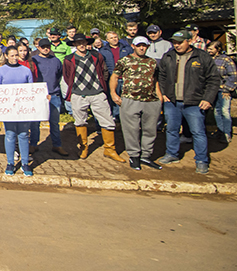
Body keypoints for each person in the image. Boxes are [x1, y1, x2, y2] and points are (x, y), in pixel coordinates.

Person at [157, 31, 220, 174]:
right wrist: (164, 92)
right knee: (172, 129)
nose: (177, 45)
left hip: (194, 102)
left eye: (180, 42)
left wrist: (208, 98)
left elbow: (213, 79)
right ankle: (172, 154)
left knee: (198, 132)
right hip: (172, 101)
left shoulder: (202, 57)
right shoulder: (169, 56)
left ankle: (201, 160)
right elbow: (162, 75)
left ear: (189, 41)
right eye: (175, 42)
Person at [62, 34, 123, 162]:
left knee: (107, 120)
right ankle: (83, 147)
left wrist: (101, 84)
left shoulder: (96, 55)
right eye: (78, 43)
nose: (81, 45)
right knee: (80, 121)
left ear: (87, 43)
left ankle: (110, 149)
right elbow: (67, 76)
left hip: (97, 93)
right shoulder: (69, 59)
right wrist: (76, 88)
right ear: (74, 45)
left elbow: (104, 71)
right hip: (79, 94)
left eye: (83, 42)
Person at [109, 37, 163, 171]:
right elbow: (115, 77)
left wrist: (159, 98)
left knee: (150, 130)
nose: (141, 48)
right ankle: (134, 156)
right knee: (131, 130)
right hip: (130, 99)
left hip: (150, 100)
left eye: (144, 46)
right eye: (139, 45)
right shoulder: (124, 61)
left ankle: (146, 156)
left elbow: (155, 80)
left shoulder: (152, 62)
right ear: (133, 46)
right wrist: (113, 93)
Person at [0, 46, 36, 176]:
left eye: (16, 55)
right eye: (12, 55)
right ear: (6, 56)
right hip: (8, 109)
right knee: (10, 134)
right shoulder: (1, 71)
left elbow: (31, 89)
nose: (15, 58)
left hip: (23, 109)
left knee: (23, 134)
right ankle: (10, 163)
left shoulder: (26, 70)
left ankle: (25, 163)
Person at [32, 38, 68, 156]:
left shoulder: (56, 61)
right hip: (38, 95)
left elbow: (58, 75)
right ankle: (33, 144)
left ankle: (57, 145)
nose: (46, 48)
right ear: (38, 47)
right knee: (35, 122)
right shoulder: (33, 60)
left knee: (54, 122)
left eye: (48, 46)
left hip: (53, 94)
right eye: (43, 47)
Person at [206, 41, 237, 144]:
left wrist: (227, 89)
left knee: (225, 111)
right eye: (208, 49)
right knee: (216, 111)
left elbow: (233, 75)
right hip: (213, 89)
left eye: (211, 49)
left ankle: (226, 133)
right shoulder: (208, 59)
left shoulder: (226, 60)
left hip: (224, 90)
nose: (209, 51)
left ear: (218, 49)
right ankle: (220, 131)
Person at [100, 31, 134, 120]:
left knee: (127, 99)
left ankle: (127, 117)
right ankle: (116, 117)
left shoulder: (127, 49)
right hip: (112, 78)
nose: (114, 39)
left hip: (126, 78)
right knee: (114, 99)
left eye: (115, 37)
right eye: (111, 38)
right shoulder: (103, 51)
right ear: (107, 40)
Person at [16, 44, 40, 155]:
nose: (23, 53)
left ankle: (33, 145)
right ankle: (17, 148)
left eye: (25, 50)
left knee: (33, 123)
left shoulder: (32, 64)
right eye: (20, 50)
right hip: (16, 98)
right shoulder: (13, 65)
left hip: (29, 97)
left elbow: (34, 80)